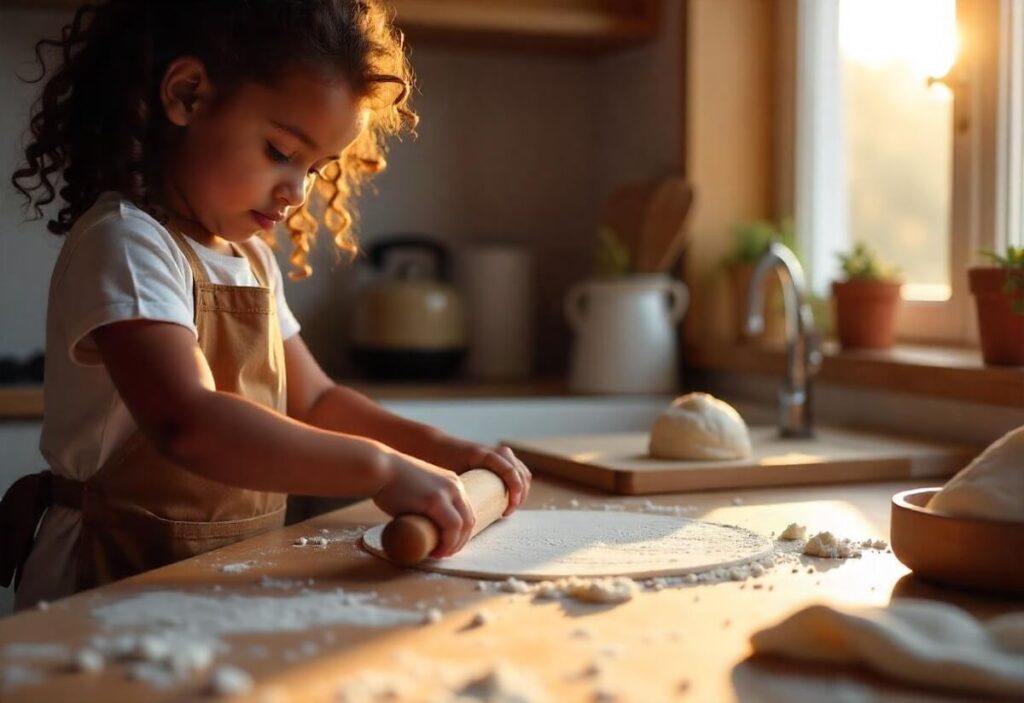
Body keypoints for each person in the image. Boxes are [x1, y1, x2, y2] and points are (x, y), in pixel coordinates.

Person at [0, 0, 530, 610]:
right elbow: (189, 423)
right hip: (105, 578)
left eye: (316, 167)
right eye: (280, 151)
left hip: (212, 580)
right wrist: (382, 470)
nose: (298, 192)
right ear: (188, 95)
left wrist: (442, 450)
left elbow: (318, 401)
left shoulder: (251, 259)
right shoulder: (127, 242)